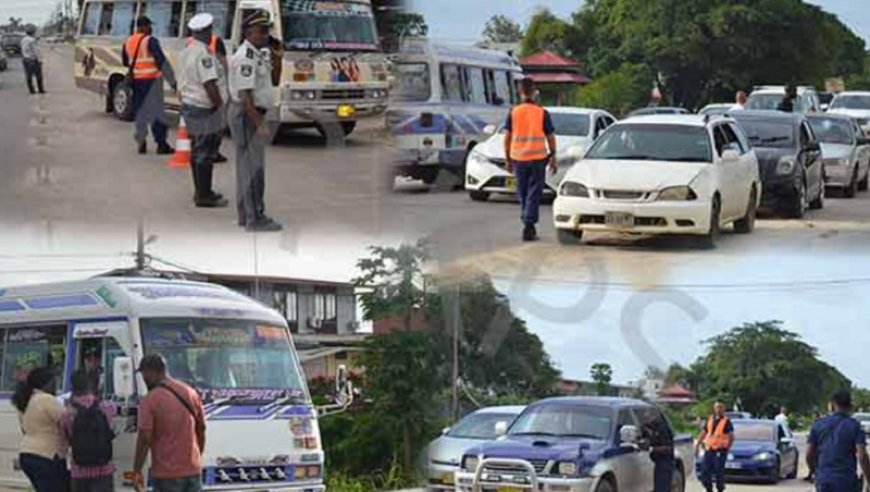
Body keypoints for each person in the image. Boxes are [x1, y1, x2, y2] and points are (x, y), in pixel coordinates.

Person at [228, 10, 284, 232]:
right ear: (248, 32)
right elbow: (245, 97)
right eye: (261, 31)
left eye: (267, 30)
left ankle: (246, 215)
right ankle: (255, 218)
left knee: (247, 168)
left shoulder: (260, 53)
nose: (265, 35)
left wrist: (278, 56)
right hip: (247, 114)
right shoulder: (245, 57)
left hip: (252, 113)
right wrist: (259, 123)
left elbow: (274, 80)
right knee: (253, 169)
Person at [132, 354, 206, 492]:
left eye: (144, 374)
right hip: (193, 472)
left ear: (151, 372)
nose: (144, 379)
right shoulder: (190, 393)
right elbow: (201, 430)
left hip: (166, 474)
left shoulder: (150, 400)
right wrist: (196, 458)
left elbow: (144, 439)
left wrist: (136, 470)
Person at [178, 13, 229, 208]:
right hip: (204, 108)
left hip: (190, 106)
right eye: (210, 30)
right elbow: (209, 84)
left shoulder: (187, 52)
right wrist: (220, 107)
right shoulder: (204, 54)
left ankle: (201, 191)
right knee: (205, 152)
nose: (211, 34)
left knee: (197, 151)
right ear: (205, 32)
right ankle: (204, 195)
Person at [503, 77, 557, 241]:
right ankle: (528, 223)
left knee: (523, 192)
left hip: (518, 158)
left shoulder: (513, 112)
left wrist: (507, 159)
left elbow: (507, 138)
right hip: (538, 158)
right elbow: (550, 137)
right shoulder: (542, 113)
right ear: (534, 93)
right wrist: (553, 156)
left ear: (520, 93)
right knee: (534, 193)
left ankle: (528, 221)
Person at [123, 16, 177, 155]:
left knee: (140, 112)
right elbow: (161, 62)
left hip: (136, 82)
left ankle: (141, 142)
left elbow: (125, 61)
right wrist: (172, 81)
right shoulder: (150, 41)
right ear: (143, 27)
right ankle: (161, 145)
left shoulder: (128, 41)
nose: (151, 28)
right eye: (149, 26)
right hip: (152, 81)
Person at [11, 366, 70, 492]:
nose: (56, 386)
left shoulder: (26, 401)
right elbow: (67, 421)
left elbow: (24, 429)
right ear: (45, 383)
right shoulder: (46, 399)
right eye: (54, 382)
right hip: (47, 455)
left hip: (27, 454)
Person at [60, 371, 116, 492]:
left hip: (79, 471)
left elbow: (68, 437)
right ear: (91, 385)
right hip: (104, 470)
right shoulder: (108, 407)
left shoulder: (67, 413)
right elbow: (110, 430)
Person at [807, 390, 870, 492]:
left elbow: (809, 454)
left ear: (832, 405)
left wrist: (815, 472)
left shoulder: (818, 425)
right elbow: (862, 456)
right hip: (847, 481)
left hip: (824, 479)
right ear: (850, 406)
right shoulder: (854, 426)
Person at [695, 401, 734, 492]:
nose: (719, 409)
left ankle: (720, 489)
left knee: (718, 472)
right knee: (705, 471)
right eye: (717, 407)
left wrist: (727, 448)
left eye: (720, 407)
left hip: (720, 450)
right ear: (714, 408)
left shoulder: (726, 421)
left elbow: (731, 436)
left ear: (723, 409)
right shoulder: (710, 419)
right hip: (709, 449)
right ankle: (708, 488)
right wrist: (698, 444)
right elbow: (704, 432)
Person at [643, 410, 675, 492]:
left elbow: (667, 448)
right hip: (660, 462)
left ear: (654, 417)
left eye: (647, 418)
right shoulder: (654, 428)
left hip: (665, 463)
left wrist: (651, 448)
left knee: (662, 488)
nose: (646, 421)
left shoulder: (663, 429)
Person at [20, 26, 45, 95]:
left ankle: (31, 90)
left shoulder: (23, 40)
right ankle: (40, 89)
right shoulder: (32, 40)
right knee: (38, 75)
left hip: (25, 59)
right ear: (33, 32)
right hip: (33, 59)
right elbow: (36, 51)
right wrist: (40, 60)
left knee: (28, 75)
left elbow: (22, 50)